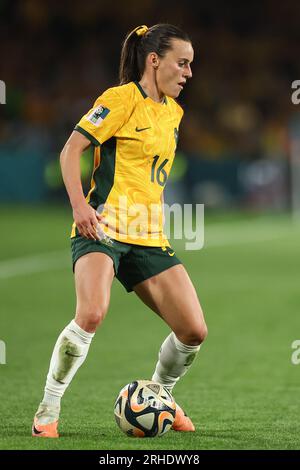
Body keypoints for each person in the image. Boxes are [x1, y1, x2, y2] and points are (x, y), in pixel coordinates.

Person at [32, 23, 208, 438]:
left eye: (190, 65)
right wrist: (79, 207)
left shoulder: (175, 113)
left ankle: (159, 396)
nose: (187, 73)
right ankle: (47, 409)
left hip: (148, 236)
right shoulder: (119, 99)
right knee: (91, 313)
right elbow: (71, 148)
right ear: (154, 60)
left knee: (193, 331)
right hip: (102, 228)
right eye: (181, 63)